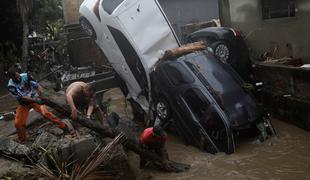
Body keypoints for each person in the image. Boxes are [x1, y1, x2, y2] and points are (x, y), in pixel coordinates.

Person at [7, 65, 67, 143]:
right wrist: (35, 100)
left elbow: (37, 86)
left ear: (18, 73)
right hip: (24, 103)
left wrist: (42, 95)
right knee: (18, 123)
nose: (18, 78)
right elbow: (23, 97)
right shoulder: (11, 86)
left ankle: (63, 126)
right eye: (16, 78)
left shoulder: (26, 76)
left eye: (18, 76)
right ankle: (22, 140)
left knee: (45, 113)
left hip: (34, 97)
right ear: (12, 78)